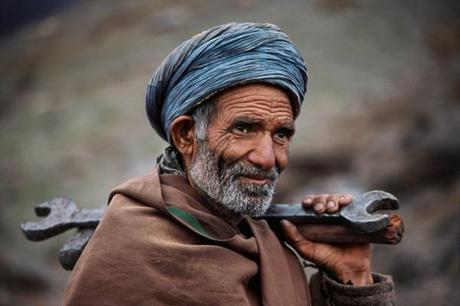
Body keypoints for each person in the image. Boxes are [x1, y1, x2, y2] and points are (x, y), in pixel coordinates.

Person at [64, 22, 396, 305]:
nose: (268, 158)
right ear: (186, 136)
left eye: (281, 134)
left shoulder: (262, 237)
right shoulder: (129, 255)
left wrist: (353, 276)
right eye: (243, 128)